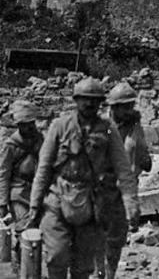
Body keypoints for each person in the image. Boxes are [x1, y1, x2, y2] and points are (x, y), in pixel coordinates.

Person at [29, 78, 135, 279]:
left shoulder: (109, 128)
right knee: (56, 255)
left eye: (94, 100)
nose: (89, 104)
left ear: (101, 103)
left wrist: (131, 203)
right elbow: (43, 168)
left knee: (83, 265)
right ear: (76, 100)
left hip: (92, 203)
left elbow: (123, 168)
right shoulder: (59, 126)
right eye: (84, 99)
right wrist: (34, 206)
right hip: (58, 199)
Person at [97, 82, 149, 279]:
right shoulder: (102, 125)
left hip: (125, 191)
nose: (129, 110)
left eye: (131, 106)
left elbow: (143, 158)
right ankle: (98, 274)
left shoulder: (135, 128)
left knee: (116, 240)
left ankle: (108, 275)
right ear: (114, 107)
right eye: (124, 107)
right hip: (102, 188)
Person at [0, 102, 44, 228]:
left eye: (31, 123)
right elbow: (3, 174)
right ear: (19, 126)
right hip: (19, 193)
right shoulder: (10, 146)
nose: (30, 127)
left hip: (39, 192)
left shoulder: (40, 140)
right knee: (26, 227)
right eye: (25, 125)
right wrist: (2, 203)